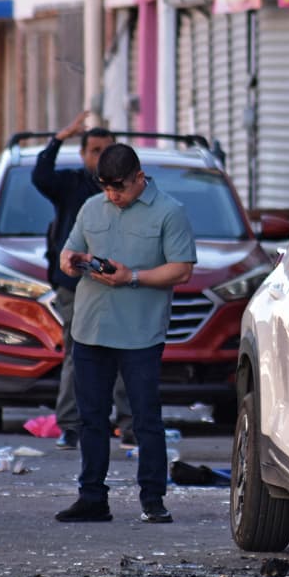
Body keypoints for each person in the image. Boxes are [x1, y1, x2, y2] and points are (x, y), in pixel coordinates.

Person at [54, 143, 195, 525]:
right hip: (90, 327)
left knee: (145, 419)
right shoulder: (91, 208)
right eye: (106, 188)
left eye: (120, 187)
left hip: (140, 333)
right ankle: (92, 496)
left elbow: (182, 269)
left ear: (139, 177)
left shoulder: (169, 212)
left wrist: (131, 276)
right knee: (91, 418)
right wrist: (71, 261)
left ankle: (153, 498)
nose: (113, 195)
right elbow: (70, 252)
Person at [32, 113, 131, 450]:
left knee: (126, 352)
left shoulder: (130, 190)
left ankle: (129, 424)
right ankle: (71, 425)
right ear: (84, 154)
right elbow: (40, 176)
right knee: (79, 354)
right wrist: (60, 137)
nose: (101, 157)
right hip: (76, 287)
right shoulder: (71, 184)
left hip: (119, 285)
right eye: (94, 150)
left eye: (108, 150)